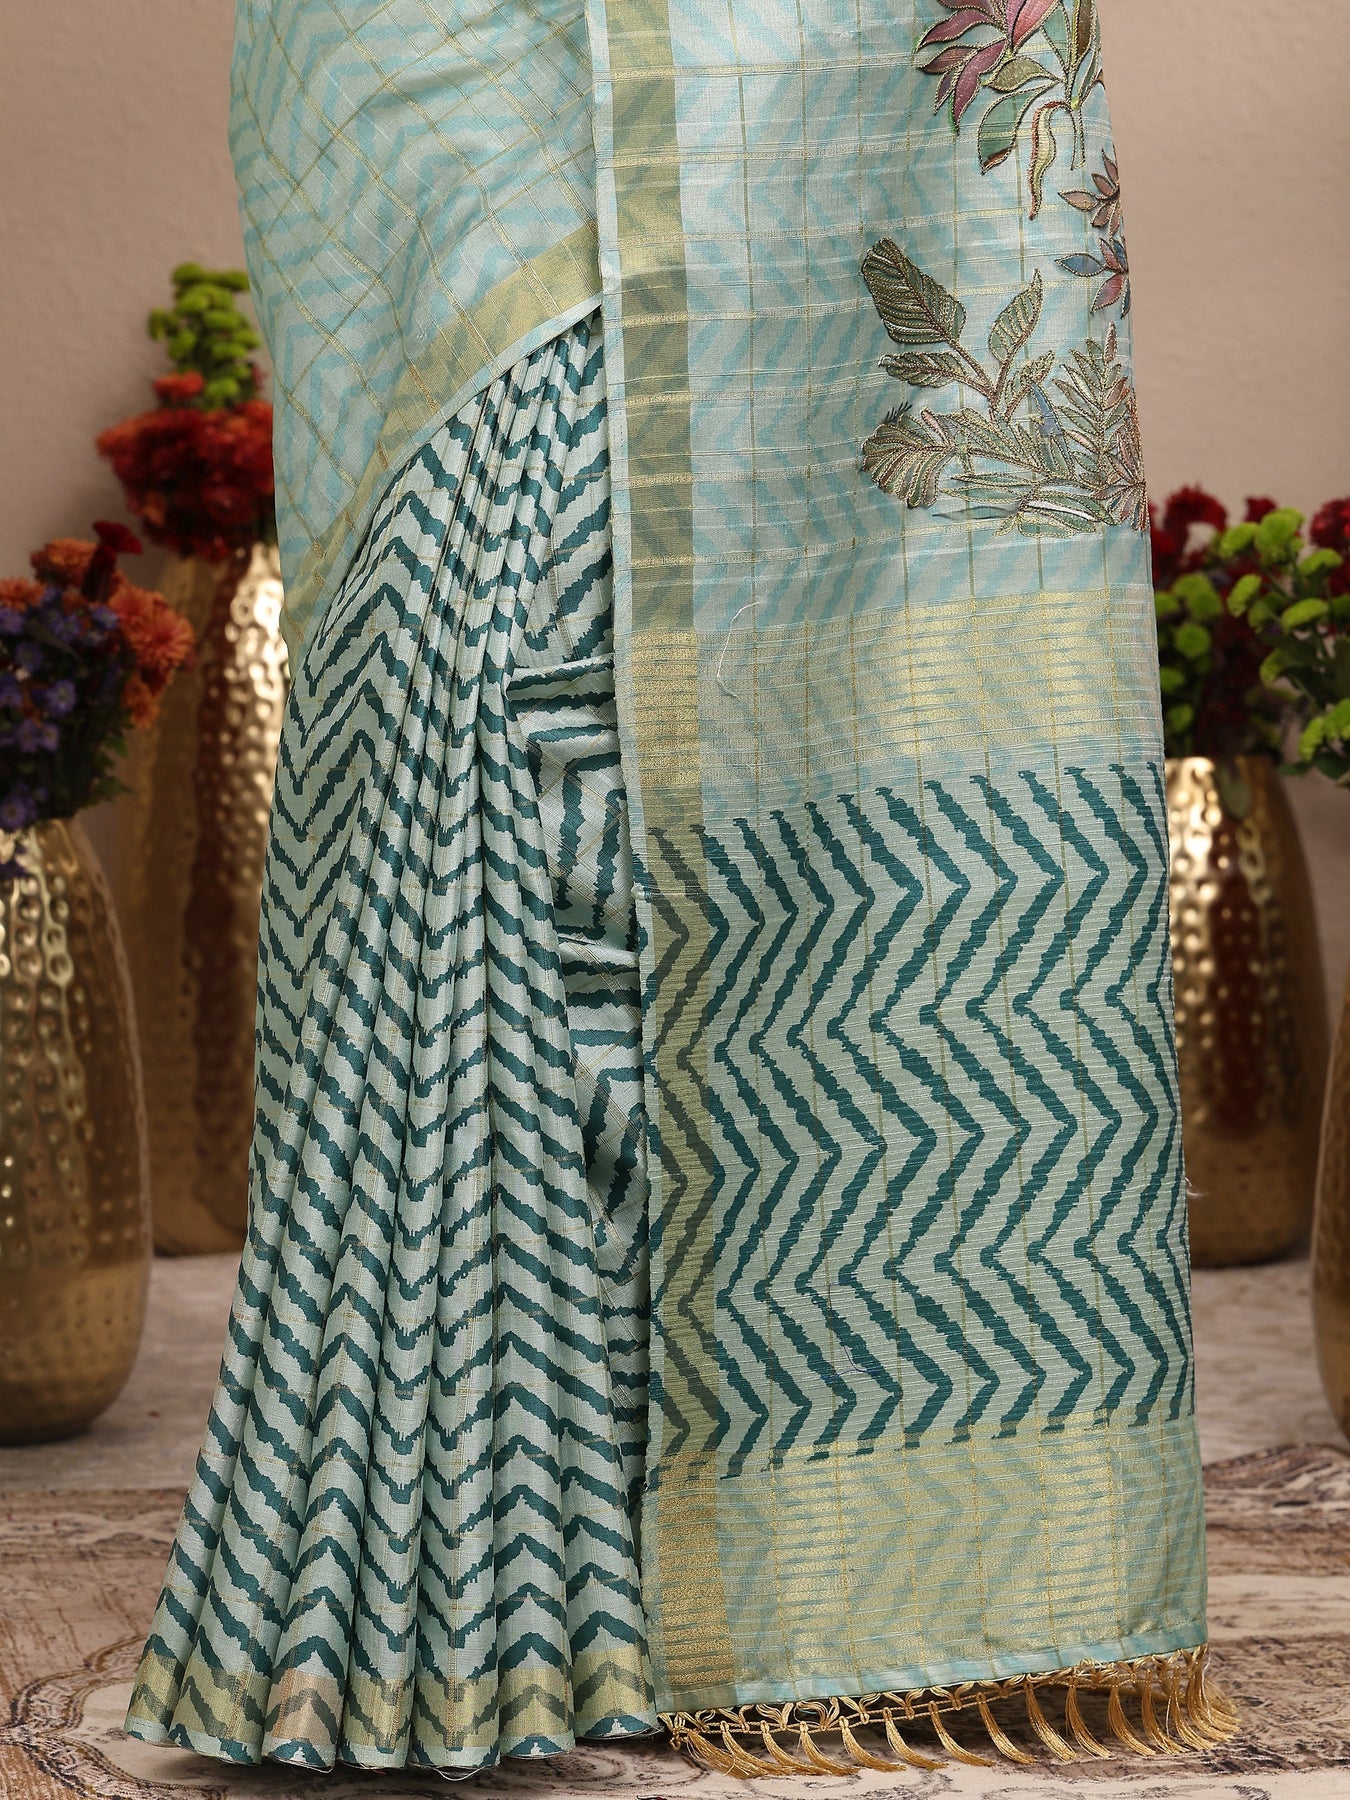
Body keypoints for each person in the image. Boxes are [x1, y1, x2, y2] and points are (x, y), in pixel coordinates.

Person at [125, 0, 1236, 1775]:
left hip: (747, 69)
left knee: (577, 756)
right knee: (464, 737)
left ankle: (698, 1580)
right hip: (439, 71)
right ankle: (460, 1583)